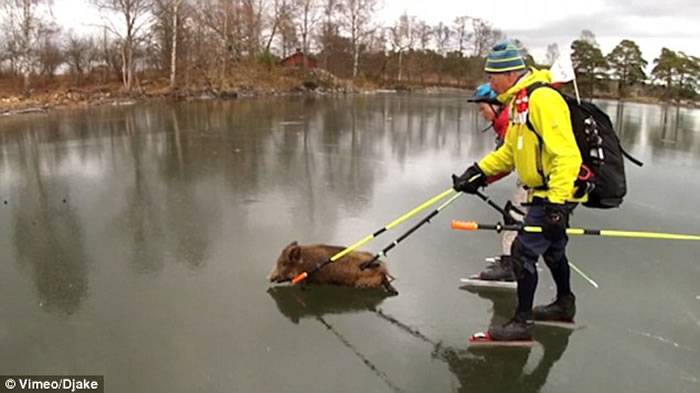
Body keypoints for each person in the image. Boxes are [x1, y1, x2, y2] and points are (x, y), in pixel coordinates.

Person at [452, 40, 583, 341]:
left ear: (510, 74)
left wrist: (558, 204)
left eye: (492, 76)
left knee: (522, 252)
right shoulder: (520, 103)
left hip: (553, 191)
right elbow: (510, 153)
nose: (489, 83)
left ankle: (521, 323)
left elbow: (567, 154)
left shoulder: (543, 100)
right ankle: (565, 304)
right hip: (542, 190)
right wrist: (477, 173)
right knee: (552, 250)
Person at [466, 83, 528, 283]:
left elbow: (506, 163)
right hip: (529, 177)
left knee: (514, 217)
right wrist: (479, 178)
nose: (481, 113)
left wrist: (480, 179)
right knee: (515, 215)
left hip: (540, 180)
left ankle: (510, 267)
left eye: (482, 108)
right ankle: (514, 259)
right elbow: (505, 162)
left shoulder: (509, 123)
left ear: (496, 106)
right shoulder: (505, 122)